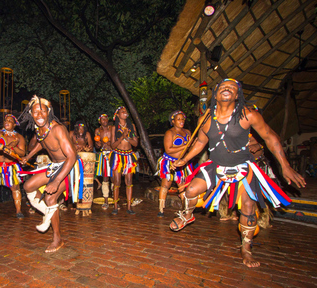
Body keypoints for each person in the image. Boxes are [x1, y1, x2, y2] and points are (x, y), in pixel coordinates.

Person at [170, 79, 306, 267]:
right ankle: (188, 215)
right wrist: (184, 160)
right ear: (215, 94)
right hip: (216, 166)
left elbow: (269, 137)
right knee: (190, 190)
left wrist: (285, 165)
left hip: (243, 169)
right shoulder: (207, 118)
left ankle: (246, 249)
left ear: (237, 96)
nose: (227, 89)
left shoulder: (248, 114)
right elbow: (200, 143)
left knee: (248, 209)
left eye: (232, 88)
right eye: (222, 87)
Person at [19, 95, 81, 253]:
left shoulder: (58, 129)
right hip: (54, 166)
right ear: (31, 114)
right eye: (35, 112)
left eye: (42, 111)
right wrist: (28, 155)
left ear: (49, 112)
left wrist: (56, 181)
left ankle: (57, 238)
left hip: (69, 167)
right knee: (28, 186)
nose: (39, 115)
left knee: (50, 198)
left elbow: (72, 156)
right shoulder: (40, 128)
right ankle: (49, 211)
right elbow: (42, 142)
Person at [156, 111, 194, 217]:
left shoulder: (187, 132)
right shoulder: (170, 133)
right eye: (179, 119)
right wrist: (185, 146)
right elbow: (168, 150)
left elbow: (190, 148)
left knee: (182, 186)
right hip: (169, 162)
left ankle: (186, 209)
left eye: (183, 119)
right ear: (173, 121)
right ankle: (161, 209)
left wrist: (191, 146)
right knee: (166, 184)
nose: (181, 121)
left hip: (182, 163)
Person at [110, 106, 139, 215]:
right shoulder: (114, 128)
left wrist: (128, 138)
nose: (125, 113)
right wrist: (122, 137)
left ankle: (129, 206)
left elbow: (135, 144)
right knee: (117, 181)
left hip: (129, 155)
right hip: (118, 155)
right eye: (123, 112)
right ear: (117, 115)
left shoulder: (132, 127)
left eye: (126, 112)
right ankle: (115, 206)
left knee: (129, 182)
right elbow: (113, 146)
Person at [95, 114, 113, 210]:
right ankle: (106, 201)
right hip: (104, 155)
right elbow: (97, 146)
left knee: (114, 178)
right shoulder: (98, 131)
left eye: (106, 118)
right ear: (99, 121)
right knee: (105, 178)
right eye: (102, 119)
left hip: (113, 154)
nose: (105, 120)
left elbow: (116, 141)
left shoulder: (112, 129)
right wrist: (98, 144)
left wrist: (111, 145)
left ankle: (115, 200)